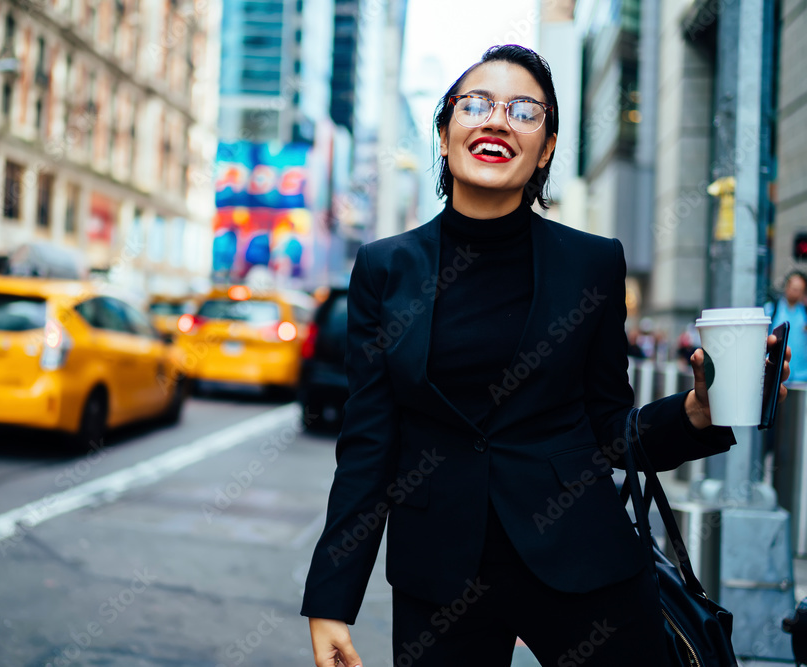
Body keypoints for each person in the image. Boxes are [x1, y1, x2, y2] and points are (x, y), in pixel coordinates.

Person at [301, 44, 792, 667]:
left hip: (581, 559)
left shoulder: (591, 262)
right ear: (446, 133)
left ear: (548, 147)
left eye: (524, 111)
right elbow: (369, 447)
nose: (497, 120)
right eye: (475, 105)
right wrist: (331, 600)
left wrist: (696, 413)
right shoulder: (385, 267)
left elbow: (610, 428)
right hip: (441, 577)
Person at [766, 271, 807, 382]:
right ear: (787, 287)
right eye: (793, 287)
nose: (795, 292)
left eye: (799, 289)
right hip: (776, 375)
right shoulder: (772, 309)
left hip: (802, 377)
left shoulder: (805, 312)